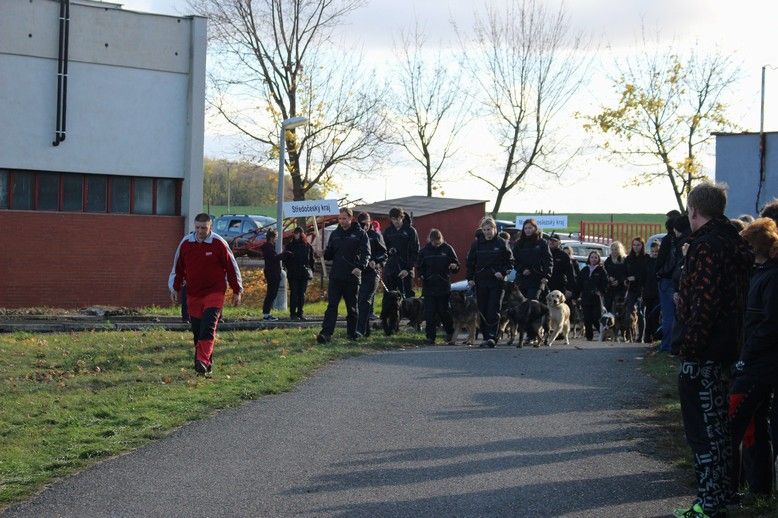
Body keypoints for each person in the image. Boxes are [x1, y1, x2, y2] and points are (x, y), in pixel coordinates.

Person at [672, 182, 752, 518]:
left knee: (703, 430)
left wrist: (688, 346)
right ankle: (721, 496)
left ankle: (708, 502)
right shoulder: (733, 242)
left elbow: (706, 303)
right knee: (718, 428)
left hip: (704, 352)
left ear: (693, 210)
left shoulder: (706, 247)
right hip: (726, 347)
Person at [728, 218, 778, 500]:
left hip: (759, 364)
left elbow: (769, 324)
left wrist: (745, 357)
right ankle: (758, 490)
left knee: (733, 422)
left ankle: (731, 489)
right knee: (753, 425)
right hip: (755, 360)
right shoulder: (761, 273)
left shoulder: (771, 277)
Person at [169, 213, 242, 375]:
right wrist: (174, 288)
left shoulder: (218, 243)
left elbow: (232, 267)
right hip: (193, 293)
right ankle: (205, 364)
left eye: (204, 228)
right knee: (198, 330)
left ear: (211, 228)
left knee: (208, 326)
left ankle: (201, 360)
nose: (200, 231)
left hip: (215, 292)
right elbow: (178, 268)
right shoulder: (186, 243)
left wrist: (237, 290)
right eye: (197, 228)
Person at [316, 207, 370, 344]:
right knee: (332, 306)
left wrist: (360, 267)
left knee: (351, 308)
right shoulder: (335, 234)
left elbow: (366, 254)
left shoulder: (360, 234)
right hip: (336, 276)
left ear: (350, 218)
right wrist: (322, 253)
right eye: (339, 219)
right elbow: (330, 253)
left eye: (344, 218)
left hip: (352, 276)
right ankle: (326, 334)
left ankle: (352, 334)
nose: (341, 221)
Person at [467, 217, 513, 347]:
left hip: (496, 282)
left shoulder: (501, 243)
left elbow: (510, 262)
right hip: (481, 281)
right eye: (485, 229)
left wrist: (502, 272)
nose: (487, 232)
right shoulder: (476, 244)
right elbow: (470, 263)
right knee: (482, 309)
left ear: (495, 229)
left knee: (493, 309)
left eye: (489, 229)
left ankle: (493, 337)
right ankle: (485, 337)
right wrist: (470, 278)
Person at [417, 228, 460, 345]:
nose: (436, 245)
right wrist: (420, 275)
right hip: (429, 285)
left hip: (443, 285)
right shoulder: (424, 251)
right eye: (434, 242)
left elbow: (457, 265)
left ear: (441, 239)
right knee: (429, 313)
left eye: (438, 242)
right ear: (430, 240)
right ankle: (430, 337)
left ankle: (449, 332)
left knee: (444, 311)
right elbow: (419, 267)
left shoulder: (447, 249)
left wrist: (454, 266)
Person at [356, 212, 387, 337]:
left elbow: (384, 254)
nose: (364, 226)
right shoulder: (356, 235)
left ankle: (360, 330)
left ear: (370, 222)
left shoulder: (375, 236)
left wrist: (376, 261)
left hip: (372, 273)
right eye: (362, 224)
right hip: (358, 272)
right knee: (360, 302)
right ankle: (364, 329)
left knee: (364, 300)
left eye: (366, 223)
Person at [382, 207, 420, 298]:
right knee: (389, 297)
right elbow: (383, 250)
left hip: (406, 269)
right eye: (393, 219)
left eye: (398, 218)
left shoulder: (410, 231)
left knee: (408, 297)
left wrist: (408, 269)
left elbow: (415, 252)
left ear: (402, 217)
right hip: (391, 269)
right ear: (391, 219)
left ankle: (409, 313)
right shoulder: (388, 231)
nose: (396, 221)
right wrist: (388, 251)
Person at [512, 218, 552, 300]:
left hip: (536, 279)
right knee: (520, 306)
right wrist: (522, 269)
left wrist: (546, 275)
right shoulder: (519, 243)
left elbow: (548, 260)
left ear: (535, 228)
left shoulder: (542, 243)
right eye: (525, 228)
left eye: (530, 228)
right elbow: (513, 260)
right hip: (521, 279)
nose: (527, 230)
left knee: (532, 305)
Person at [284, 226, 315, 321]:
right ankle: (294, 313)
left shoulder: (306, 246)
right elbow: (286, 260)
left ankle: (299, 313)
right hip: (295, 273)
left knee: (300, 294)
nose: (296, 235)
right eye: (295, 233)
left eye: (298, 233)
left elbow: (311, 260)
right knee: (295, 293)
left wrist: (310, 270)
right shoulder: (293, 245)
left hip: (300, 273)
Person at [576, 250, 608, 341]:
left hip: (596, 298)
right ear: (589, 258)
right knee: (587, 318)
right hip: (585, 297)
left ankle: (603, 334)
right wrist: (576, 295)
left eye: (595, 257)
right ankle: (589, 337)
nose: (593, 259)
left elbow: (605, 284)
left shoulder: (601, 270)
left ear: (598, 259)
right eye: (592, 257)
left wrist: (601, 291)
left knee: (596, 318)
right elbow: (579, 284)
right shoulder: (584, 270)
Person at [259, 229, 285, 321]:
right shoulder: (269, 247)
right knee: (271, 294)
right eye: (276, 237)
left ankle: (267, 313)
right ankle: (266, 314)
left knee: (271, 294)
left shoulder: (269, 247)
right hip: (272, 273)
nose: (276, 239)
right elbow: (274, 258)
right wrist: (283, 255)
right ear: (271, 238)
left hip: (271, 272)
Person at [624, 237, 648, 329]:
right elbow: (624, 272)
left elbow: (646, 274)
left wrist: (636, 277)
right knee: (628, 311)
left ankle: (641, 336)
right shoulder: (628, 259)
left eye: (638, 245)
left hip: (642, 289)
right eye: (634, 245)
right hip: (631, 289)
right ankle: (628, 334)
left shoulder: (646, 258)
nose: (636, 247)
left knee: (641, 313)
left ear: (642, 246)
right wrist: (626, 279)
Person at [642, 240, 661, 343]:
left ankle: (655, 335)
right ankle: (647, 335)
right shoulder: (647, 261)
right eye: (653, 251)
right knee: (648, 314)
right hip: (648, 292)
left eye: (656, 252)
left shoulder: (660, 261)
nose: (654, 254)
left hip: (657, 292)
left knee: (655, 315)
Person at [548, 234, 576, 300]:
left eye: (554, 241)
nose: (552, 242)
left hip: (559, 286)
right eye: (550, 240)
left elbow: (570, 273)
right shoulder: (544, 253)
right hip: (545, 285)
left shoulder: (563, 255)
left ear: (559, 243)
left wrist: (569, 289)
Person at [603, 241, 627, 313]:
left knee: (618, 309)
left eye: (616, 249)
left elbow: (626, 273)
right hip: (610, 289)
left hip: (621, 288)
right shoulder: (608, 261)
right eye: (612, 249)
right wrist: (609, 278)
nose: (614, 251)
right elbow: (604, 273)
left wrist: (619, 281)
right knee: (608, 308)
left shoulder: (624, 260)